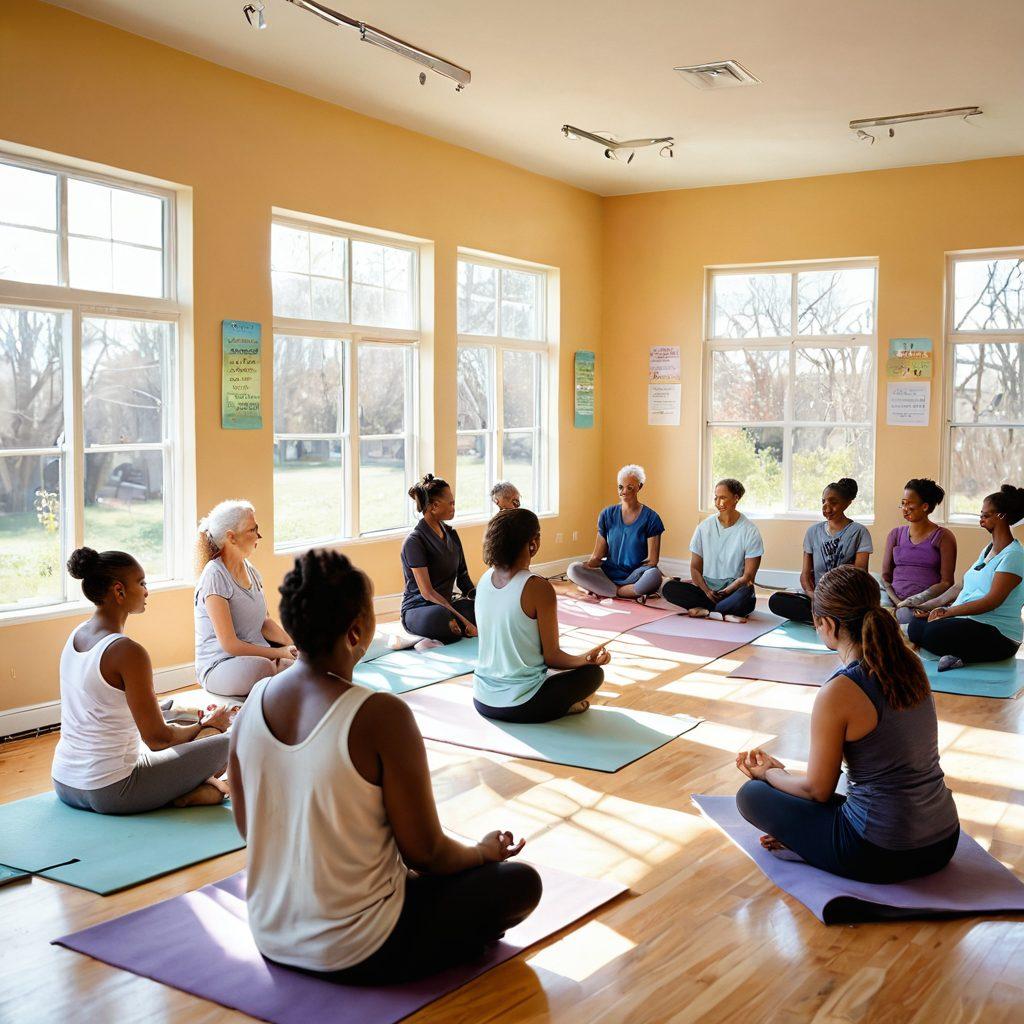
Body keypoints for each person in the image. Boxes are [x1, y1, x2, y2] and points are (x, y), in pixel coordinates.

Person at [228, 549, 541, 984]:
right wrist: (482, 853)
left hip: (271, 933)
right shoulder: (379, 714)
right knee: (520, 883)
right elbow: (426, 853)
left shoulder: (250, 707)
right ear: (356, 631)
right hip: (360, 949)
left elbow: (250, 828)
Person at [734, 565, 960, 884]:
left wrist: (770, 773)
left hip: (880, 852)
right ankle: (812, 840)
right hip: (943, 840)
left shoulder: (839, 691)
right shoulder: (911, 664)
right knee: (852, 801)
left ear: (826, 624)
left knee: (752, 794)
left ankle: (809, 845)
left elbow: (817, 791)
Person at [52, 547, 233, 815]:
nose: (147, 591)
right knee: (233, 740)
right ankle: (195, 790)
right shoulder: (128, 652)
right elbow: (157, 739)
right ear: (119, 591)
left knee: (176, 720)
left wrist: (187, 724)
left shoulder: (77, 635)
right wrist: (207, 726)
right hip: (112, 791)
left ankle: (196, 789)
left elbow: (112, 710)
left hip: (64, 783)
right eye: (142, 583)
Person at [473, 509, 611, 722]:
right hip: (521, 705)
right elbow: (552, 657)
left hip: (482, 699)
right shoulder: (537, 587)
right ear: (533, 543)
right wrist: (586, 660)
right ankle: (564, 707)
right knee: (593, 674)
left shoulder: (483, 580)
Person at [909, 484, 1024, 671]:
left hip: (999, 634)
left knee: (932, 633)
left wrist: (949, 613)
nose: (981, 520)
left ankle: (959, 653)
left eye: (986, 516)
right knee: (916, 625)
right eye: (980, 515)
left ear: (1002, 516)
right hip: (970, 621)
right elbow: (960, 587)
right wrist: (931, 607)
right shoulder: (987, 550)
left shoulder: (1014, 555)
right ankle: (958, 652)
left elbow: (991, 601)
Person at [194, 499, 296, 698]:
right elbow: (230, 644)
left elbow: (264, 622)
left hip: (257, 658)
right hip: (220, 666)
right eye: (252, 530)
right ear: (231, 537)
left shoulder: (251, 571)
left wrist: (293, 645)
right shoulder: (215, 576)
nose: (259, 535)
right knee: (264, 668)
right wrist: (279, 653)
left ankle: (280, 674)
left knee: (304, 663)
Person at [768, 478, 872, 624]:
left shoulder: (859, 532)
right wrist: (814, 597)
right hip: (818, 597)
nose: (826, 507)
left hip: (846, 599)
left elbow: (860, 572)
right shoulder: (813, 532)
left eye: (833, 502)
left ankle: (826, 619)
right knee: (776, 601)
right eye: (823, 502)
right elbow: (805, 575)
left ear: (847, 503)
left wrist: (833, 599)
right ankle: (829, 619)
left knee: (861, 611)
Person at [663, 478, 762, 621]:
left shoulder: (750, 531)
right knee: (669, 588)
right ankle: (721, 612)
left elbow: (748, 577)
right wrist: (707, 591)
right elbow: (695, 568)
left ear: (736, 498)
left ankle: (706, 610)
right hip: (707, 590)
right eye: (716, 498)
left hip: (733, 590)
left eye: (723, 498)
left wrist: (726, 592)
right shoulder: (704, 527)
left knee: (746, 594)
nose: (718, 503)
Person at [567, 464, 665, 601]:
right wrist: (585, 567)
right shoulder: (607, 514)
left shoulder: (652, 518)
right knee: (573, 569)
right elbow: (598, 555)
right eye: (620, 487)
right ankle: (622, 591)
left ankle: (611, 590)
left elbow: (653, 560)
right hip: (609, 572)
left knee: (654, 576)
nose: (624, 491)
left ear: (639, 487)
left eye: (629, 487)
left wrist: (637, 573)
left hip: (636, 574)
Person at [401, 474, 477, 644]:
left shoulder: (452, 535)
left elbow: (464, 580)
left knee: (479, 609)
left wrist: (484, 601)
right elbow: (427, 593)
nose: (454, 507)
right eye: (451, 503)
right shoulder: (414, 541)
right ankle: (447, 630)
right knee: (442, 617)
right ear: (434, 506)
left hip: (447, 606)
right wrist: (465, 621)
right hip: (419, 610)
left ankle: (449, 631)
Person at [881, 479, 957, 623]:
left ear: (925, 506)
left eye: (909, 504)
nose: (905, 508)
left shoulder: (944, 537)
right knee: (873, 581)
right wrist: (898, 603)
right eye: (903, 503)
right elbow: (885, 578)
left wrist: (917, 600)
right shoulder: (895, 535)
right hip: (893, 600)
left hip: (924, 605)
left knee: (906, 616)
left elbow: (947, 582)